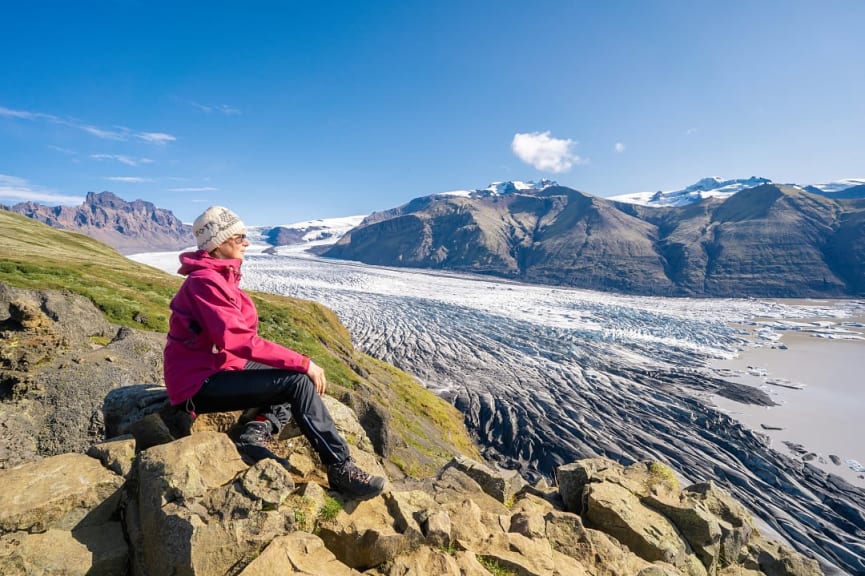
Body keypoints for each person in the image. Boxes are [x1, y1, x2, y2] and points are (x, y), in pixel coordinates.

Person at [163, 205, 385, 500]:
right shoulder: (205, 283)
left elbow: (239, 342)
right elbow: (238, 340)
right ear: (219, 243)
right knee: (297, 380)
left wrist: (298, 364)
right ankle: (340, 468)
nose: (247, 243)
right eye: (240, 237)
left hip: (222, 368)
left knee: (293, 375)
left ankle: (257, 429)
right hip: (197, 385)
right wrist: (304, 362)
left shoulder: (222, 277)